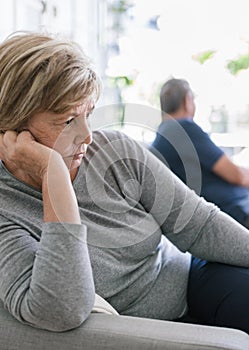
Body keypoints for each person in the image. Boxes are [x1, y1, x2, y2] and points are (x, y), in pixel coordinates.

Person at [1, 33, 249, 335]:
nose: (87, 136)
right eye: (67, 121)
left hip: (192, 279)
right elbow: (62, 310)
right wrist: (53, 176)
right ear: (11, 124)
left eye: (88, 114)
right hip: (140, 329)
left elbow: (200, 225)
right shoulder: (6, 206)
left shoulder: (114, 150)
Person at [150, 78, 249, 228]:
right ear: (187, 100)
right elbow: (237, 176)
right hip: (235, 212)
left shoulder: (164, 134)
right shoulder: (184, 129)